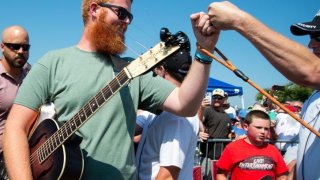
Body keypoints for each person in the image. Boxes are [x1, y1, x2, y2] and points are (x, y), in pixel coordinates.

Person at [3, 0, 220, 179]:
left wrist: (204, 51)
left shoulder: (132, 69)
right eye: (121, 13)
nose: (127, 22)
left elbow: (186, 105)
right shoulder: (53, 62)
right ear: (95, 9)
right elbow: (16, 127)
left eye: (130, 16)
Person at [207, 2, 320, 179]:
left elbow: (314, 72)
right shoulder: (314, 97)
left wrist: (238, 19)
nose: (311, 44)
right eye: (311, 36)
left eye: (318, 36)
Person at [135, 47, 199, 179]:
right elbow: (132, 128)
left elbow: (167, 176)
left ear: (162, 71)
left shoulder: (176, 117)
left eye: (155, 69)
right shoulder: (162, 107)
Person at [216, 110, 288, 180]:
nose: (263, 131)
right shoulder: (232, 148)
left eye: (266, 129)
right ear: (246, 127)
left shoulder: (273, 150)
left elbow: (282, 175)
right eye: (258, 127)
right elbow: (221, 174)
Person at [0, 25, 31, 176]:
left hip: (29, 155)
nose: (21, 51)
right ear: (2, 47)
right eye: (15, 46)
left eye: (25, 47)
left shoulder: (33, 77)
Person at [198, 88, 232, 160]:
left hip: (222, 155)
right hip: (207, 154)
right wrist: (201, 108)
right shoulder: (208, 110)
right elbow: (199, 121)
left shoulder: (227, 116)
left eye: (219, 98)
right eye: (214, 97)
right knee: (206, 171)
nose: (216, 99)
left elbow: (229, 133)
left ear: (223, 99)